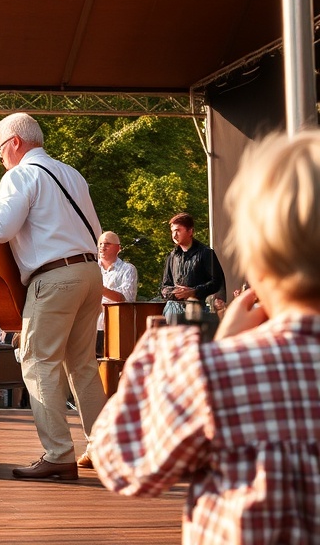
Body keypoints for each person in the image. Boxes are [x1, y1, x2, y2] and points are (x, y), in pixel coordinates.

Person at [92, 130, 320, 543]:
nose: (174, 235)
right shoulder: (170, 259)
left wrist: (168, 352)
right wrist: (173, 294)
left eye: (178, 230)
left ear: (258, 254)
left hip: (195, 318)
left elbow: (123, 463)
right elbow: (163, 285)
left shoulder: (213, 373)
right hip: (175, 307)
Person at [0, 113, 105, 480]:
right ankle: (104, 448)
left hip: (55, 277)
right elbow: (92, 228)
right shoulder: (71, 174)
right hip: (90, 271)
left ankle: (59, 453)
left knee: (35, 359)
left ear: (15, 142)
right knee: (83, 366)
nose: (0, 157)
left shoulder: (20, 175)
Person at [160, 212, 225, 323]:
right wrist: (176, 292)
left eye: (178, 230)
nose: (174, 235)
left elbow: (217, 283)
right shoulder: (172, 256)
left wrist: (194, 291)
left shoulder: (206, 253)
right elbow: (164, 287)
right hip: (173, 311)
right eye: (172, 231)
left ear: (190, 231)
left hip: (198, 310)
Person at [97, 230, 138, 356]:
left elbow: (125, 298)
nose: (103, 247)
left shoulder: (128, 269)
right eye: (100, 244)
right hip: (89, 326)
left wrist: (99, 288)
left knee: (111, 366)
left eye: (108, 244)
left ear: (118, 248)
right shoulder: (92, 268)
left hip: (115, 328)